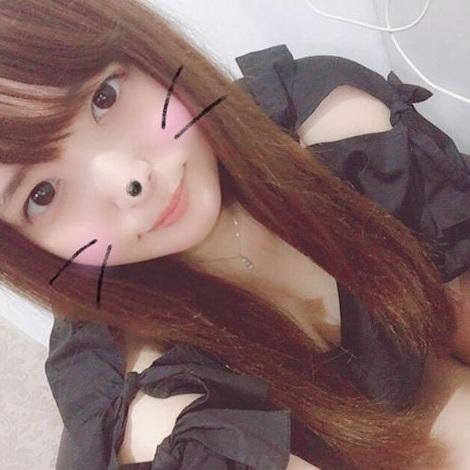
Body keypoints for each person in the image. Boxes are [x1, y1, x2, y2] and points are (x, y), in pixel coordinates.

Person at [1, 0, 470, 468]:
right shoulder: (164, 418)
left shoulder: (330, 126)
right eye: (42, 194)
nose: (130, 180)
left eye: (104, 98)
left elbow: (453, 321)